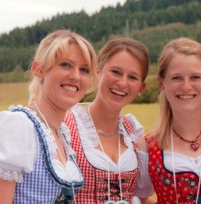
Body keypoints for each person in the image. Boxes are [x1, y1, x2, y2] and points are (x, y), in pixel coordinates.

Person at [136, 37, 201, 204]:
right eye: (176, 78)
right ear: (161, 82)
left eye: (195, 77)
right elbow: (142, 198)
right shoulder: (147, 146)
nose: (186, 86)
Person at [0, 29, 97, 203]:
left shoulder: (61, 134)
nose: (75, 76)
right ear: (39, 70)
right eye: (66, 65)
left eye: (84, 70)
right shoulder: (19, 126)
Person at [64, 37, 152, 203]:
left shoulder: (133, 133)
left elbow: (143, 198)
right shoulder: (66, 125)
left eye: (132, 77)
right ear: (98, 70)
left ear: (141, 87)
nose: (122, 83)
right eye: (116, 72)